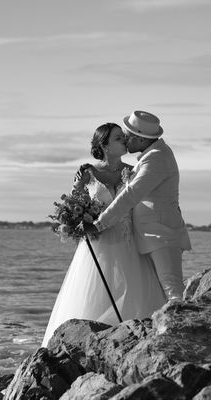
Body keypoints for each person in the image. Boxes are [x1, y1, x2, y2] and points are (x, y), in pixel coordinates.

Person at [41, 123, 167, 347]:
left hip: (129, 242)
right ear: (104, 145)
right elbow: (72, 206)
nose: (125, 141)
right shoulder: (88, 173)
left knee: (136, 294)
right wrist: (75, 219)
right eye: (119, 138)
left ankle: (137, 342)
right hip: (98, 244)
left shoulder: (134, 171)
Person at [81, 110, 191, 301]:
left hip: (161, 235)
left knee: (172, 291)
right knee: (166, 291)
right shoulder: (155, 155)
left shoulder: (156, 158)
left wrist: (98, 225)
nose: (125, 139)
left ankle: (179, 329)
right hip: (152, 235)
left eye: (127, 136)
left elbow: (131, 195)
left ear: (141, 140)